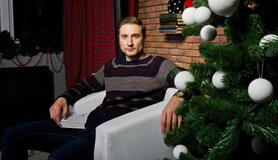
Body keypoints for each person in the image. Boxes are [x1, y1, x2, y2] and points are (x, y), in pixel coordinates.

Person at [1, 16, 185, 160]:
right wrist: (63, 98)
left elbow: (190, 79)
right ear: (119, 40)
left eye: (135, 36)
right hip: (88, 127)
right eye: (124, 37)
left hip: (112, 133)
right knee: (12, 134)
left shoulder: (158, 65)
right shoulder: (111, 66)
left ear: (144, 38)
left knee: (58, 157)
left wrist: (179, 96)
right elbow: (84, 86)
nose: (129, 43)